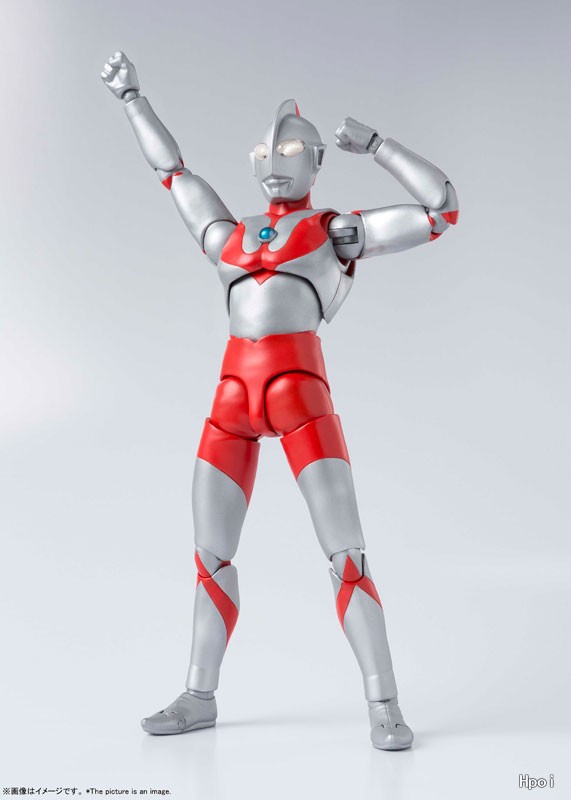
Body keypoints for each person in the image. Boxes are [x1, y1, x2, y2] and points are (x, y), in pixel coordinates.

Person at [102, 50, 459, 750]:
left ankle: (384, 704)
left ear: (317, 161)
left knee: (347, 558)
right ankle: (198, 695)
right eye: (264, 150)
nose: (274, 160)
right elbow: (172, 173)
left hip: (301, 401)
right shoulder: (228, 235)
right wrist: (132, 99)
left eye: (292, 150)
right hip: (231, 402)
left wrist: (380, 146)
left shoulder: (333, 230)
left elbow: (441, 210)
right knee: (210, 558)